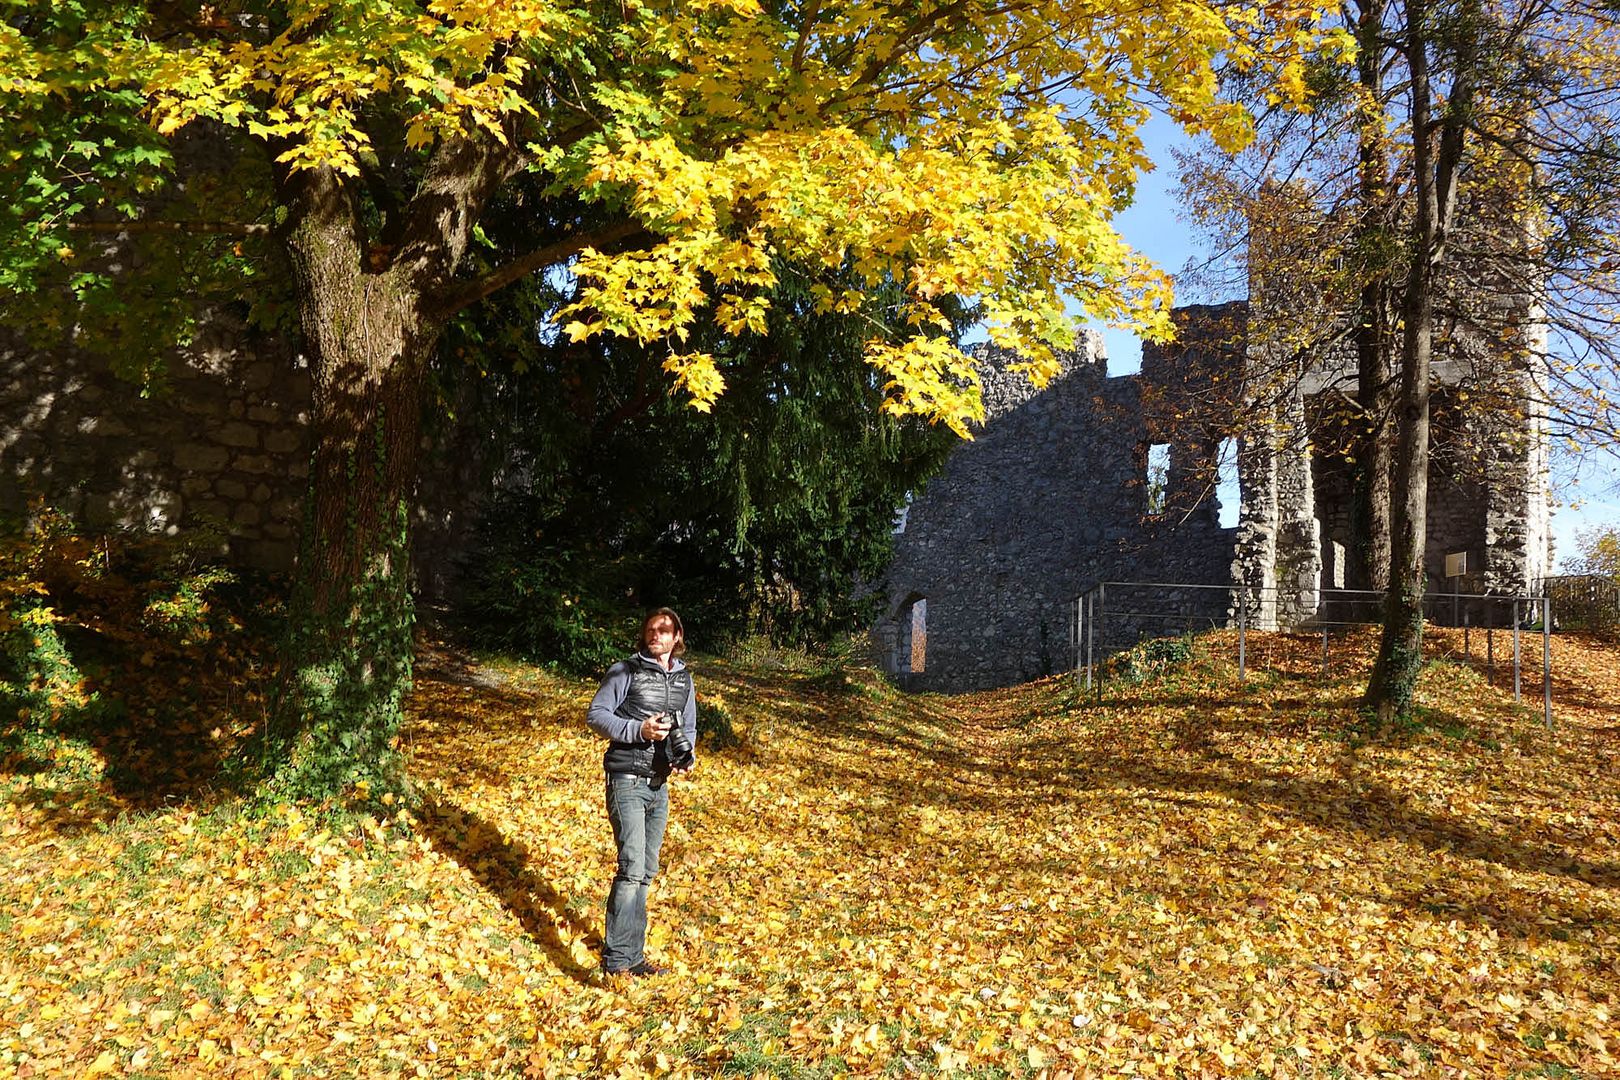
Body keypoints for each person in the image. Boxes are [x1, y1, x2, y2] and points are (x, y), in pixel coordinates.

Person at [585, 607, 698, 977]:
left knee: (646, 870)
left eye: (664, 630)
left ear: (676, 636)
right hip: (626, 780)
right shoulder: (626, 671)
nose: (656, 635)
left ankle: (633, 957)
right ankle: (617, 961)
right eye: (651, 629)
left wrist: (686, 757)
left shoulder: (684, 681)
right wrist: (639, 730)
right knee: (632, 867)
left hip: (658, 783)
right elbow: (597, 715)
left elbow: (690, 728)